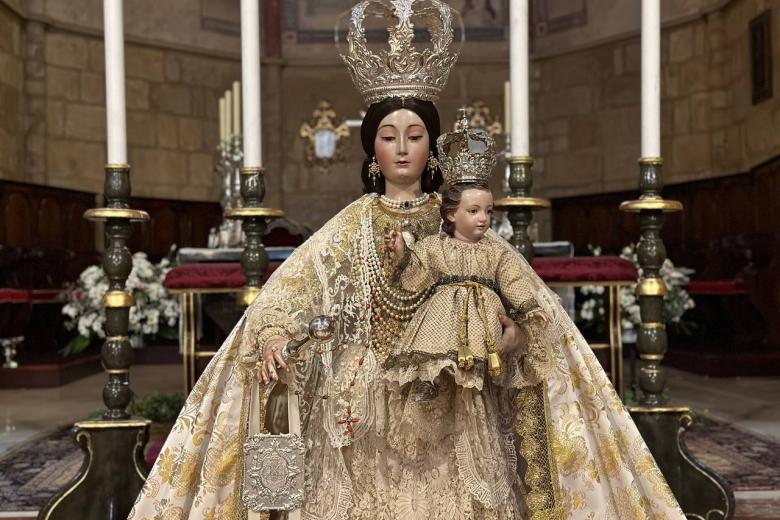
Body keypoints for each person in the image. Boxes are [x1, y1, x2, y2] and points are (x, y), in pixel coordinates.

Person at [130, 1, 685, 518]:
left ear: (432, 146)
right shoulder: (354, 222)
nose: (401, 147)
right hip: (365, 396)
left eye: (415, 135)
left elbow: (527, 304)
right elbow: (294, 289)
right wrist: (276, 333)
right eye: (389, 136)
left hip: (456, 391)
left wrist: (509, 330)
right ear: (372, 149)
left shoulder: (456, 223)